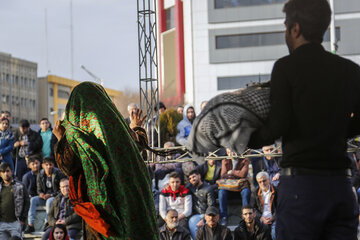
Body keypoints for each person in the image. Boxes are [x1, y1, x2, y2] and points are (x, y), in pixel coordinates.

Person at [248, 0, 360, 238]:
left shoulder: (286, 68)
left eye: (286, 26)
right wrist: (337, 131)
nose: (285, 32)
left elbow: (278, 125)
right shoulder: (350, 71)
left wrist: (246, 138)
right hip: (340, 186)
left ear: (295, 29)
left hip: (302, 188)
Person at [52, 82, 158, 239]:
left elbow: (69, 166)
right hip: (131, 197)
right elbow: (139, 144)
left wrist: (61, 139)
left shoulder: (76, 134)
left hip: (104, 206)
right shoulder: (118, 126)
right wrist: (136, 127)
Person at [25, 157, 65, 233]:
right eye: (46, 165)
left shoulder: (58, 173)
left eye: (50, 165)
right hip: (44, 197)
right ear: (43, 165)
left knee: (49, 201)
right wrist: (41, 194)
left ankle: (47, 223)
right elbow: (38, 188)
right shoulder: (40, 174)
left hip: (55, 198)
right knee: (33, 199)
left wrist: (51, 195)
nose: (49, 166)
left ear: (53, 165)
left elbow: (61, 190)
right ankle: (30, 224)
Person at [218, 149, 251, 226]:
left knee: (246, 192)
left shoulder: (244, 159)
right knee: (221, 192)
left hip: (241, 187)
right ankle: (223, 217)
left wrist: (231, 172)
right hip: (229, 187)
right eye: (230, 151)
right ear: (227, 152)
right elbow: (223, 175)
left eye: (234, 151)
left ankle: (245, 216)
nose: (232, 153)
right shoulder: (225, 160)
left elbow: (243, 174)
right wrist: (237, 174)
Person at [0, 162, 30, 240]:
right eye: (3, 172)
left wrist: (23, 219)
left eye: (7, 171)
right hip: (1, 223)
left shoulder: (20, 186)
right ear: (0, 174)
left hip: (15, 222)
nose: (6, 173)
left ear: (11, 172)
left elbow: (27, 202)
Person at [186, 169, 215, 239]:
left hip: (206, 214)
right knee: (192, 222)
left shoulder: (208, 188)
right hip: (195, 215)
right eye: (190, 178)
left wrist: (204, 219)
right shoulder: (190, 188)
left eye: (194, 177)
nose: (192, 179)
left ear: (199, 176)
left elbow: (211, 206)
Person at [250, 172, 277, 240]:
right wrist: (261, 218)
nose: (262, 183)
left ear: (269, 180)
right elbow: (253, 208)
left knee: (274, 233)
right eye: (260, 182)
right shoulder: (255, 192)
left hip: (275, 218)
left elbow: (280, 207)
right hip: (261, 219)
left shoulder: (276, 191)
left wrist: (273, 217)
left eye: (264, 180)